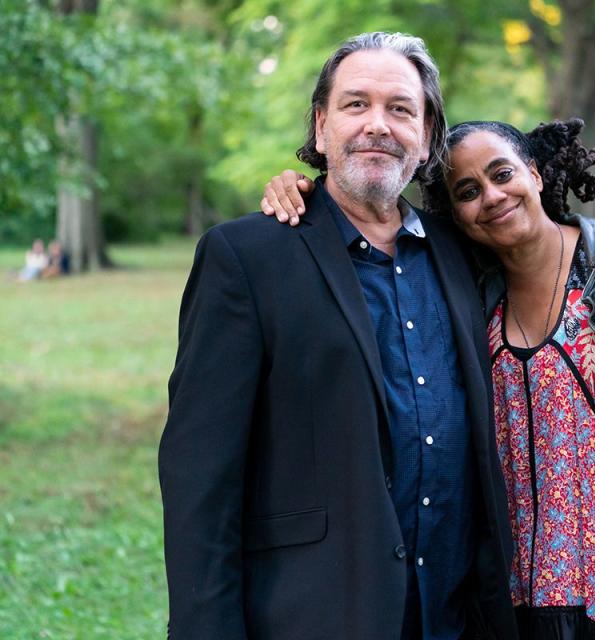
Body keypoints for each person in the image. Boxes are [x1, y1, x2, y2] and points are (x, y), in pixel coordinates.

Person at [262, 119, 595, 640]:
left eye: (503, 174)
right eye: (468, 192)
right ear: (456, 215)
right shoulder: (462, 289)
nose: (493, 196)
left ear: (536, 174)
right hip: (516, 595)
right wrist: (304, 195)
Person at [159, 32, 518, 640]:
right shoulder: (247, 257)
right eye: (356, 105)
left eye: (401, 109)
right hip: (311, 615)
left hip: (456, 617)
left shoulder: (465, 251)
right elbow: (200, 479)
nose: (377, 124)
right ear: (321, 127)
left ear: (427, 136)